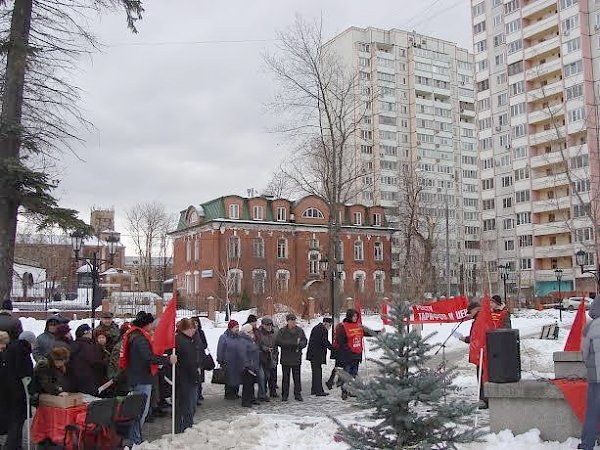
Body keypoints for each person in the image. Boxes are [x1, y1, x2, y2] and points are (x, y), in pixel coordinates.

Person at [119, 311, 177, 445]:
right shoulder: (139, 338)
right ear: (145, 324)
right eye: (150, 324)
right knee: (140, 411)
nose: (152, 326)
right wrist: (167, 359)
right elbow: (148, 357)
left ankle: (136, 437)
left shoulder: (136, 335)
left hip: (139, 377)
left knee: (140, 410)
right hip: (141, 379)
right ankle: (135, 439)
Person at [2, 330, 34, 450]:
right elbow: (26, 373)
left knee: (15, 420)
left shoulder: (10, 349)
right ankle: (11, 446)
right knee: (17, 421)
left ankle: (16, 445)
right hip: (19, 391)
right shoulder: (23, 352)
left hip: (9, 390)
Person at [580, 298, 600, 450]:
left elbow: (584, 352)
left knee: (592, 411)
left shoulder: (589, 326)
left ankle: (588, 443)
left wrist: (591, 367)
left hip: (595, 377)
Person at [459, 301, 487, 409]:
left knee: (482, 375)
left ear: (475, 310)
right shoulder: (479, 319)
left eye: (470, 312)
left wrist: (465, 339)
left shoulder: (479, 321)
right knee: (482, 375)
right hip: (481, 352)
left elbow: (476, 337)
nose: (469, 315)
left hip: (481, 353)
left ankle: (484, 400)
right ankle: (484, 399)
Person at [174, 318, 199, 433]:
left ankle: (183, 427)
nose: (194, 330)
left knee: (185, 405)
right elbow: (189, 362)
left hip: (183, 377)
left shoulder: (183, 339)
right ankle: (185, 428)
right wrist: (195, 377)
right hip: (186, 378)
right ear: (187, 329)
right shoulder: (184, 342)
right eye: (192, 328)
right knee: (188, 406)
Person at [275, 313, 307, 402]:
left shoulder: (300, 330)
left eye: (294, 321)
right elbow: (278, 341)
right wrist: (292, 343)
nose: (293, 322)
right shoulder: (282, 331)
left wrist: (300, 345)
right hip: (286, 358)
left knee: (297, 377)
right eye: (291, 321)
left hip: (296, 357)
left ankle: (298, 394)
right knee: (286, 378)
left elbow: (304, 341)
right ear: (287, 321)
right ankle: (285, 394)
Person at [68, 324, 107, 395]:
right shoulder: (89, 346)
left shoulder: (73, 345)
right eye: (89, 332)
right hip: (89, 380)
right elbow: (95, 362)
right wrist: (105, 363)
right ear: (86, 333)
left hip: (75, 381)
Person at [336, 309, 364, 400]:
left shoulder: (358, 326)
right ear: (349, 316)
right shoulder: (343, 327)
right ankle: (344, 391)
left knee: (353, 375)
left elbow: (366, 332)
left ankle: (351, 390)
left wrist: (378, 333)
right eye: (354, 316)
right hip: (348, 355)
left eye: (356, 316)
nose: (355, 318)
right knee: (346, 374)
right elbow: (341, 341)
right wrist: (348, 350)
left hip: (357, 354)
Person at [216, 320, 245, 400]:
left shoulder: (239, 337)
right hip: (228, 362)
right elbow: (220, 349)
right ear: (231, 328)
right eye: (236, 327)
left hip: (238, 361)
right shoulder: (224, 337)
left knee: (237, 378)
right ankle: (229, 394)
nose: (237, 329)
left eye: (238, 327)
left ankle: (235, 393)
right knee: (229, 378)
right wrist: (220, 359)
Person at [307, 317, 333, 396]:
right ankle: (318, 391)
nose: (330, 327)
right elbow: (324, 341)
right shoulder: (321, 329)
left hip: (314, 354)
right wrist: (333, 348)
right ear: (325, 323)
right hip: (316, 354)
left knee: (316, 372)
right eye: (330, 325)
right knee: (317, 372)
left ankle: (314, 390)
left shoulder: (318, 328)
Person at [240, 324, 260, 407]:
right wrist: (247, 365)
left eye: (252, 331)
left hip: (253, 364)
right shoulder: (244, 341)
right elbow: (243, 354)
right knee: (247, 384)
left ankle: (251, 398)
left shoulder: (251, 339)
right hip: (247, 366)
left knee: (251, 383)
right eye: (250, 331)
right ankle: (246, 401)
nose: (252, 332)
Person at [258, 316, 278, 399]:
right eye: (267, 325)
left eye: (270, 325)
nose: (269, 326)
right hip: (264, 357)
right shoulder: (259, 333)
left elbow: (277, 342)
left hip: (273, 356)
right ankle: (263, 393)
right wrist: (266, 349)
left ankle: (273, 391)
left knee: (273, 375)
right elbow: (259, 344)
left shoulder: (274, 332)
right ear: (263, 325)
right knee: (265, 376)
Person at [190, 316, 208, 403]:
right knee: (194, 377)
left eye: (197, 322)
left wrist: (200, 346)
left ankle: (199, 394)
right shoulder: (190, 333)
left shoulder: (201, 332)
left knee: (199, 377)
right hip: (193, 358)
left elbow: (205, 344)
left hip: (200, 357)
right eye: (194, 322)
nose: (195, 324)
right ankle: (195, 396)